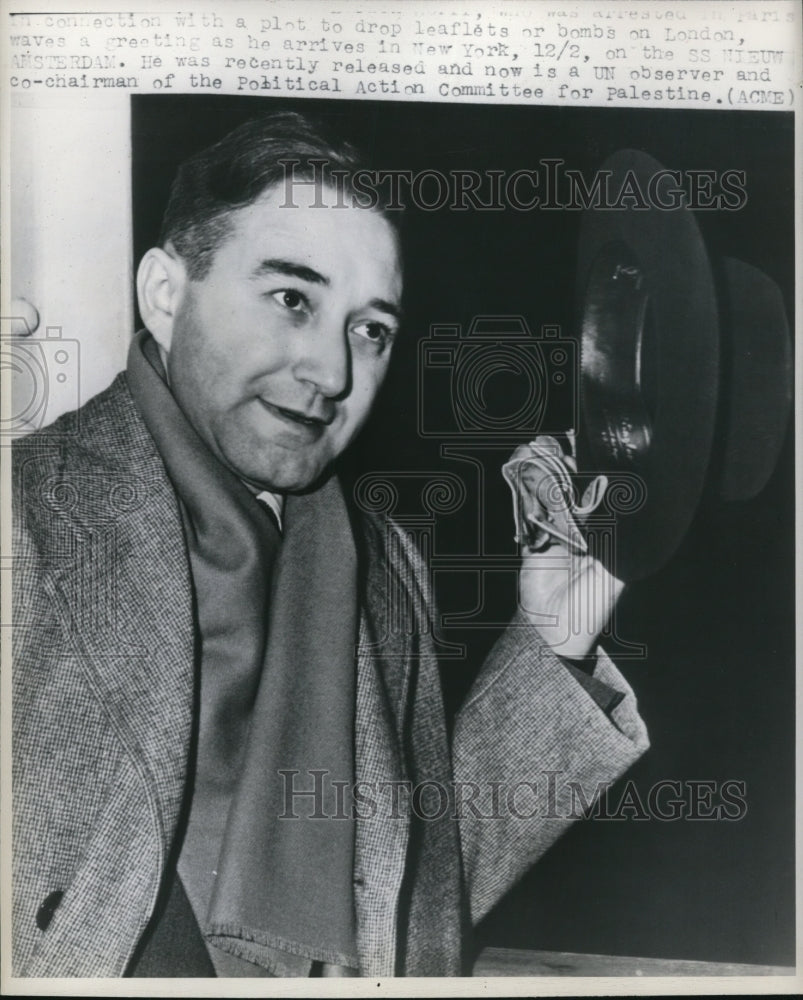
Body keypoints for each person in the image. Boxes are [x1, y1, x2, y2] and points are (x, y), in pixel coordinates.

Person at [11, 112, 648, 978]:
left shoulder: (385, 572)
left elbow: (408, 890)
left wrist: (554, 641)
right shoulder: (27, 514)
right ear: (166, 294)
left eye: (369, 329)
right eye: (291, 299)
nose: (333, 373)